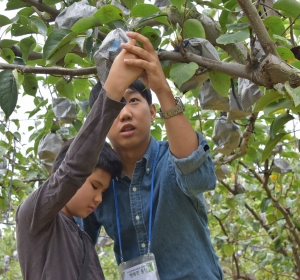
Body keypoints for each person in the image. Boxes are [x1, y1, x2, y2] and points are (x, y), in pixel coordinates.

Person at [83, 32, 224, 279]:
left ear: (152, 112)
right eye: (115, 106)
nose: (125, 113)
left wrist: (161, 87)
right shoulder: (98, 183)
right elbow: (73, 237)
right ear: (102, 121)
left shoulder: (172, 159)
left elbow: (199, 177)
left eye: (134, 101)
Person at [15, 38, 144, 280]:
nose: (97, 198)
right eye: (95, 185)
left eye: (102, 191)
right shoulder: (35, 217)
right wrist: (114, 89)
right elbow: (75, 169)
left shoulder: (82, 238)